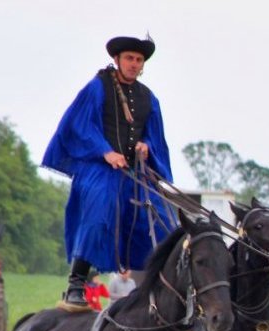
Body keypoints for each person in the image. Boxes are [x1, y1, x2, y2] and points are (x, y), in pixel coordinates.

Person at [42, 35, 175, 311]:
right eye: (129, 58)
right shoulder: (97, 88)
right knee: (99, 210)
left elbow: (155, 138)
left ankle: (161, 285)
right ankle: (77, 284)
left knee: (161, 217)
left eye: (139, 60)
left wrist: (146, 146)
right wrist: (104, 151)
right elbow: (79, 126)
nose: (134, 64)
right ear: (117, 59)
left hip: (133, 173)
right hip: (100, 169)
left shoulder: (149, 98)